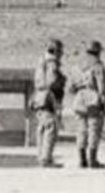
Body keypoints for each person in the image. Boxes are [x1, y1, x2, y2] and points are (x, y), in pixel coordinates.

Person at [69, 40, 105, 168]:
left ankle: (82, 160)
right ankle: (92, 160)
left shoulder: (77, 65)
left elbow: (71, 87)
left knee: (81, 130)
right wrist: (104, 102)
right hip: (93, 100)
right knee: (94, 129)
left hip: (79, 100)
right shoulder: (98, 66)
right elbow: (102, 86)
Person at [31, 39, 67, 168]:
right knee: (51, 127)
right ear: (56, 51)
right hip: (49, 97)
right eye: (60, 51)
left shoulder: (41, 62)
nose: (61, 54)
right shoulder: (52, 63)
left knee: (42, 128)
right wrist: (61, 81)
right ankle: (46, 158)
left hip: (39, 97)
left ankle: (42, 156)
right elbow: (52, 81)